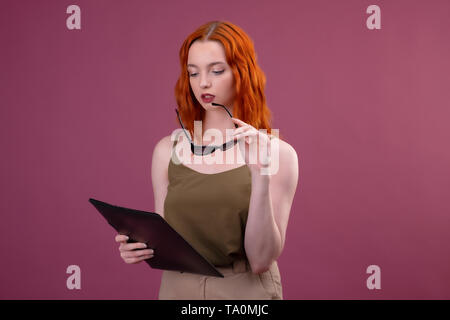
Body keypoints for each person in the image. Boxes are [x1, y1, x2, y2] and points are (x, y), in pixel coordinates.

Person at [114, 21, 299, 300]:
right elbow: (166, 237)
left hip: (244, 293)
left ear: (242, 73)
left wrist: (260, 176)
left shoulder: (278, 153)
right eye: (193, 73)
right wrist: (139, 246)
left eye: (216, 70)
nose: (203, 83)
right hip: (177, 288)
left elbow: (261, 260)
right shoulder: (167, 150)